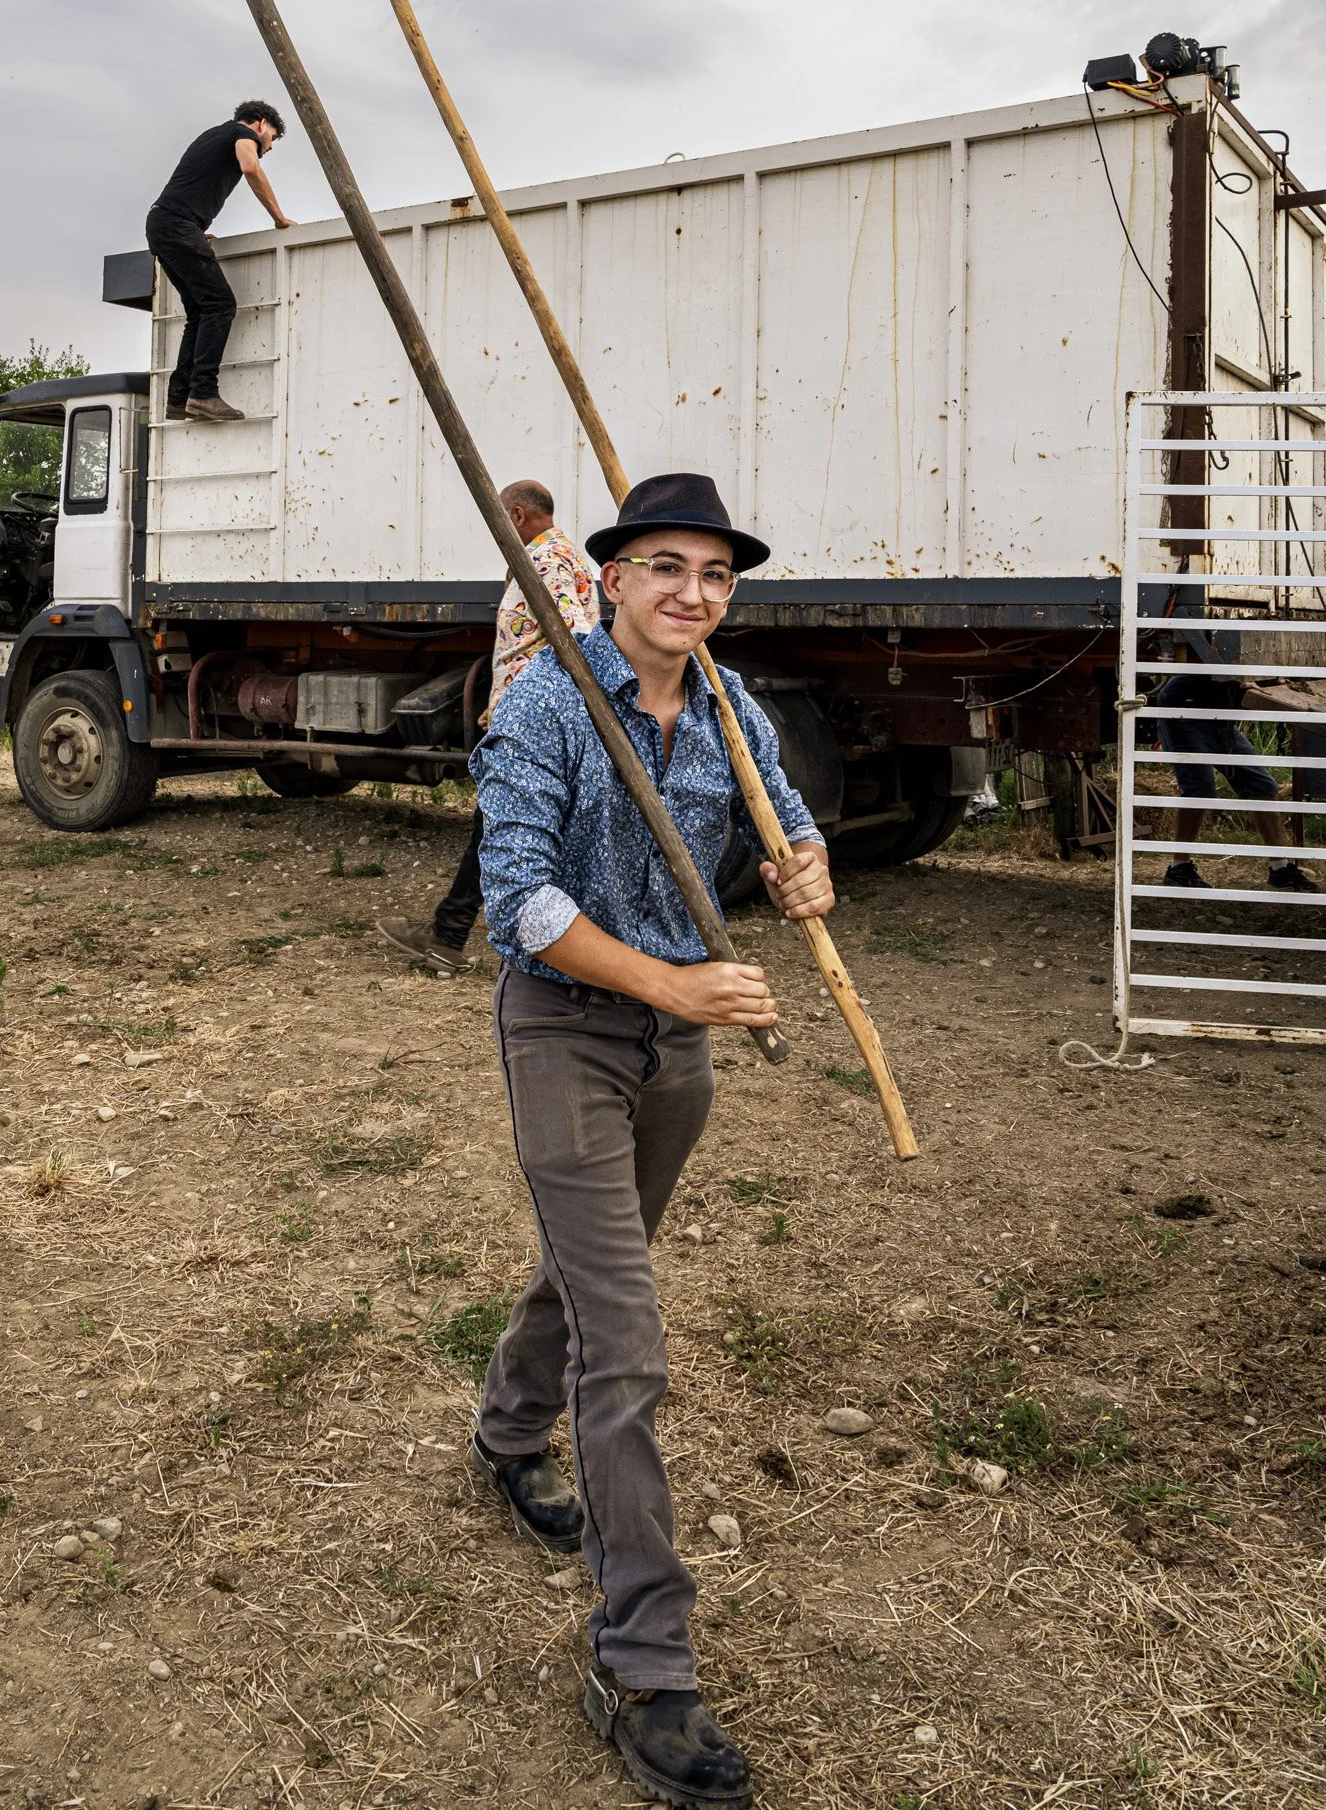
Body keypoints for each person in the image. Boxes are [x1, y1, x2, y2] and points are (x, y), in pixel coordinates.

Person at [467, 472, 833, 1810]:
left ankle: (504, 1433)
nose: (691, 592)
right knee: (624, 1342)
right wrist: (677, 983)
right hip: (563, 1027)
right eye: (664, 566)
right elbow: (520, 901)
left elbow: (786, 818)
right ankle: (642, 1667)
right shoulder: (548, 705)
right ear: (605, 576)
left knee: (585, 1264)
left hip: (670, 1061)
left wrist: (805, 867)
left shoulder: (729, 706)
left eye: (715, 574)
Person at [376, 478, 598, 972]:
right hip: (533, 712)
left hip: (537, 721)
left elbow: (573, 638)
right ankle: (463, 936)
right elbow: (537, 641)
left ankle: (451, 937)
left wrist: (522, 703)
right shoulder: (561, 556)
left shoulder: (544, 560)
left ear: (517, 516)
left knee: (499, 824)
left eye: (499, 521)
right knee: (505, 826)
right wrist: (501, 700)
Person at [1151, 582, 1314, 892]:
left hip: (1219, 717)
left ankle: (1280, 869)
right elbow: (1246, 682)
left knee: (1262, 786)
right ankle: (1179, 868)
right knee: (1198, 788)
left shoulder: (1270, 643)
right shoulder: (1242, 637)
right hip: (1185, 709)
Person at [147, 103, 291, 424]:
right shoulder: (242, 133)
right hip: (178, 226)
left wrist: (192, 232)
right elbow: (250, 167)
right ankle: (203, 394)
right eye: (272, 138)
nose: (268, 147)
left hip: (164, 224)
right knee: (221, 305)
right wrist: (279, 218)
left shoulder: (212, 135)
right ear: (261, 124)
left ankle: (179, 398)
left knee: (199, 311)